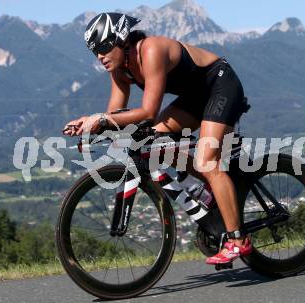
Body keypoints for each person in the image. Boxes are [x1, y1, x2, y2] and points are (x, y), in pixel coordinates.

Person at [63, 13, 251, 266]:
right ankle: (207, 192)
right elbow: (116, 116)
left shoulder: (151, 50)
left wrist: (101, 119)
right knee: (153, 144)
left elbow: (148, 112)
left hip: (220, 86)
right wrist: (92, 126)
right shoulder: (120, 71)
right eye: (94, 51)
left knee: (207, 161)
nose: (100, 56)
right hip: (194, 98)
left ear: (121, 39)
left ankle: (238, 241)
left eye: (104, 47)